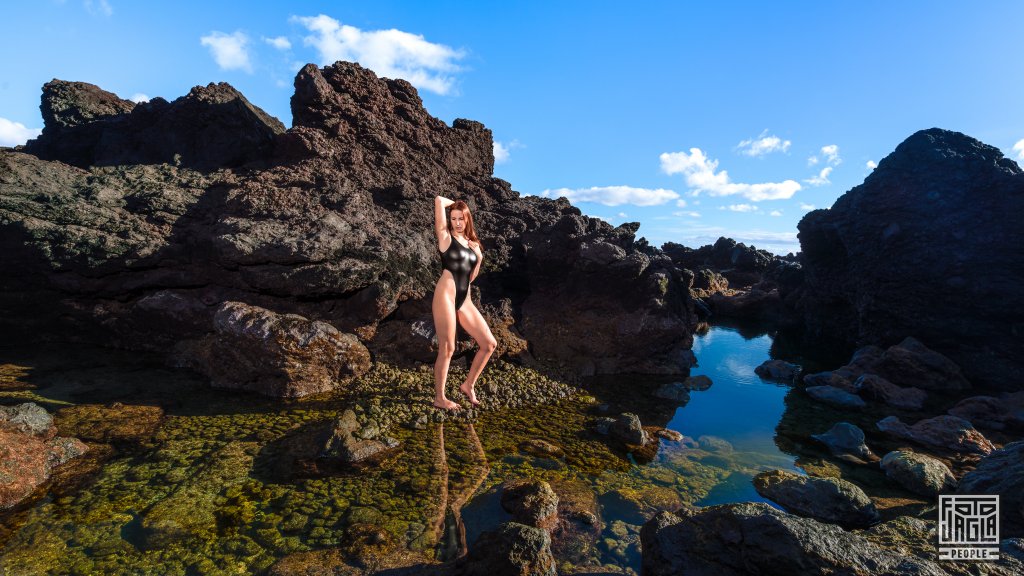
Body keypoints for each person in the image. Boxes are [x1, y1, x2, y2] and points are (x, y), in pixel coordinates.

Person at [432, 196, 498, 410]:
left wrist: (478, 257)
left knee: (489, 344)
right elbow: (438, 200)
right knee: (448, 347)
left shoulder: (472, 244)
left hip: (465, 299)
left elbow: (470, 277)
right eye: (454, 218)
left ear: (468, 220)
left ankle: (468, 385)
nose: (458, 222)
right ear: (449, 220)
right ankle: (440, 398)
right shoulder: (445, 238)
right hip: (446, 296)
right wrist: (457, 204)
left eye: (462, 218)